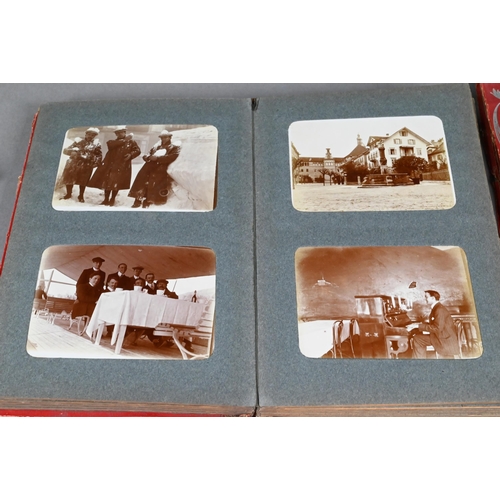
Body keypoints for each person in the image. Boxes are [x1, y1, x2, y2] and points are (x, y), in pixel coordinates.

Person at [88, 126, 141, 206]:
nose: (119, 134)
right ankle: (106, 199)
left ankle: (112, 199)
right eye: (117, 133)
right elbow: (111, 146)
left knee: (117, 183)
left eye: (121, 132)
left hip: (122, 166)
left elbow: (137, 150)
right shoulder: (112, 142)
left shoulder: (131, 142)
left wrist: (130, 155)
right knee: (107, 182)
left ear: (124, 132)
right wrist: (125, 140)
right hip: (110, 165)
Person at [128, 130, 181, 208]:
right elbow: (147, 154)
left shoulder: (174, 147)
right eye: (162, 137)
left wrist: (157, 159)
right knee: (142, 182)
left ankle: (148, 200)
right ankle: (138, 200)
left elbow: (172, 157)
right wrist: (147, 157)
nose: (164, 139)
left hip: (160, 168)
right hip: (148, 167)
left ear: (170, 137)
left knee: (153, 185)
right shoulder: (156, 147)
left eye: (166, 137)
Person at [406, 289, 460, 359]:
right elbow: (436, 324)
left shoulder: (439, 309)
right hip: (442, 335)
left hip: (444, 339)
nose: (425, 299)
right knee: (418, 338)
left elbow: (437, 328)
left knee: (417, 339)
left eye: (426, 297)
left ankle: (418, 361)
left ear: (433, 298)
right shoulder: (437, 307)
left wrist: (417, 325)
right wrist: (418, 324)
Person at [60, 127, 102, 202]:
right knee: (70, 179)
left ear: (94, 136)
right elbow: (65, 150)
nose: (90, 136)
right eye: (89, 134)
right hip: (74, 163)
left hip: (87, 165)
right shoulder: (78, 141)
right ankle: (68, 194)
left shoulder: (96, 144)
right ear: (85, 134)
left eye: (93, 135)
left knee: (83, 181)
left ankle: (81, 195)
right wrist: (72, 152)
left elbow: (99, 155)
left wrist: (97, 162)